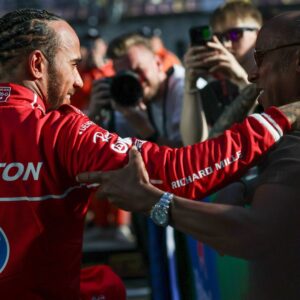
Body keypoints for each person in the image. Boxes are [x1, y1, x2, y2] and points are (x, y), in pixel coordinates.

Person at [0, 8, 299, 299]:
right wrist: (280, 118)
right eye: (74, 64)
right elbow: (178, 172)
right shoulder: (58, 130)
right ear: (38, 64)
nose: (79, 81)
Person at [181, 1, 262, 144]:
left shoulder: (274, 79)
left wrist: (242, 81)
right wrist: (190, 86)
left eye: (235, 35)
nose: (227, 44)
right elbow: (193, 144)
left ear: (259, 34)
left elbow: (269, 127)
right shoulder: (214, 91)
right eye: (219, 37)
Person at [90, 32, 185, 147]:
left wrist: (146, 131)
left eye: (138, 71)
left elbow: (189, 156)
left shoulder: (184, 88)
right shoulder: (132, 101)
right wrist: (94, 118)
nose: (134, 80)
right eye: (126, 75)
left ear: (158, 63)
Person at [71, 28, 115, 112]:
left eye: (95, 45)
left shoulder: (112, 67)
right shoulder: (79, 73)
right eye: (87, 45)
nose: (91, 49)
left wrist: (100, 67)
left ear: (104, 46)